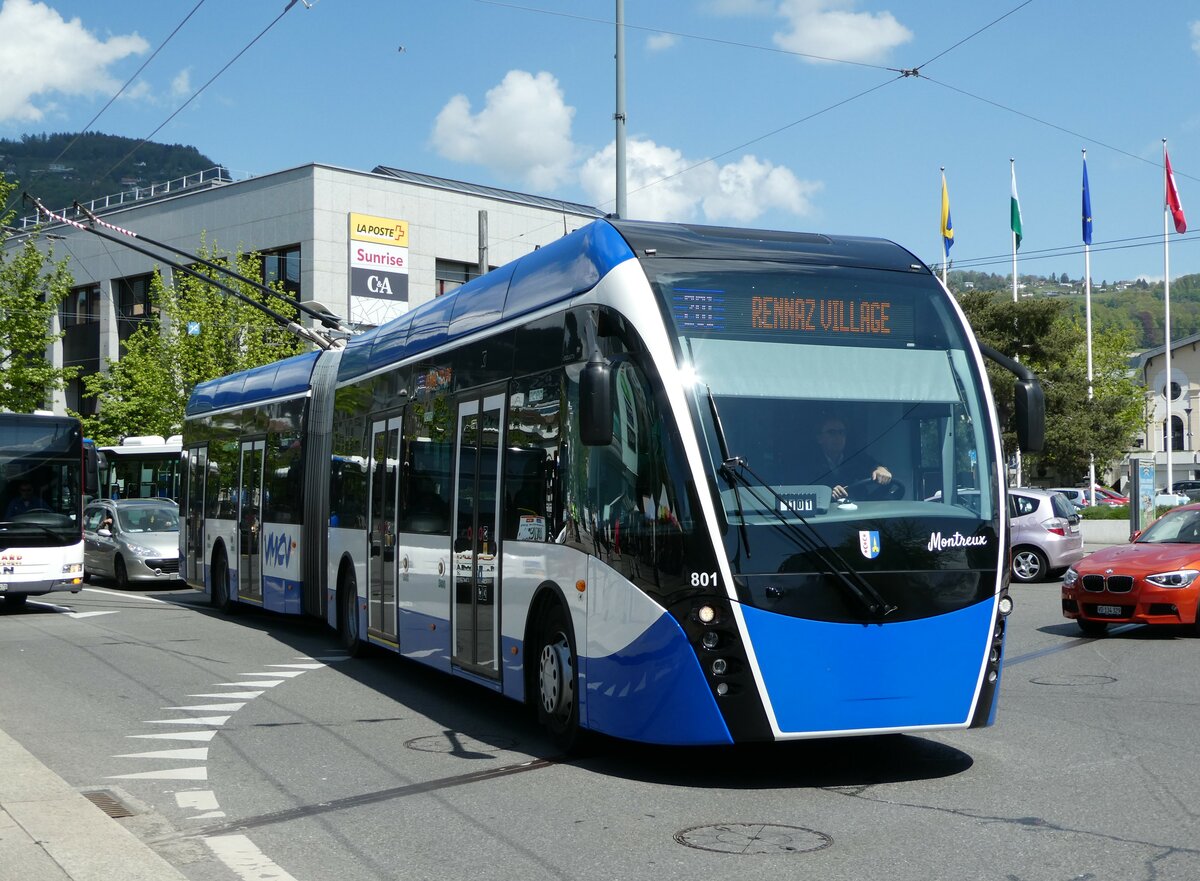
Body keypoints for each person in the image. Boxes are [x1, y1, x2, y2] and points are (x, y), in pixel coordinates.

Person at [808, 415, 892, 501]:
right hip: (827, 512)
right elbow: (805, 493)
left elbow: (872, 465)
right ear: (819, 438)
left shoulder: (855, 457)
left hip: (858, 511)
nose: (838, 437)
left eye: (841, 432)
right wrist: (828, 493)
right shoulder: (808, 463)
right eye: (832, 432)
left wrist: (880, 469)